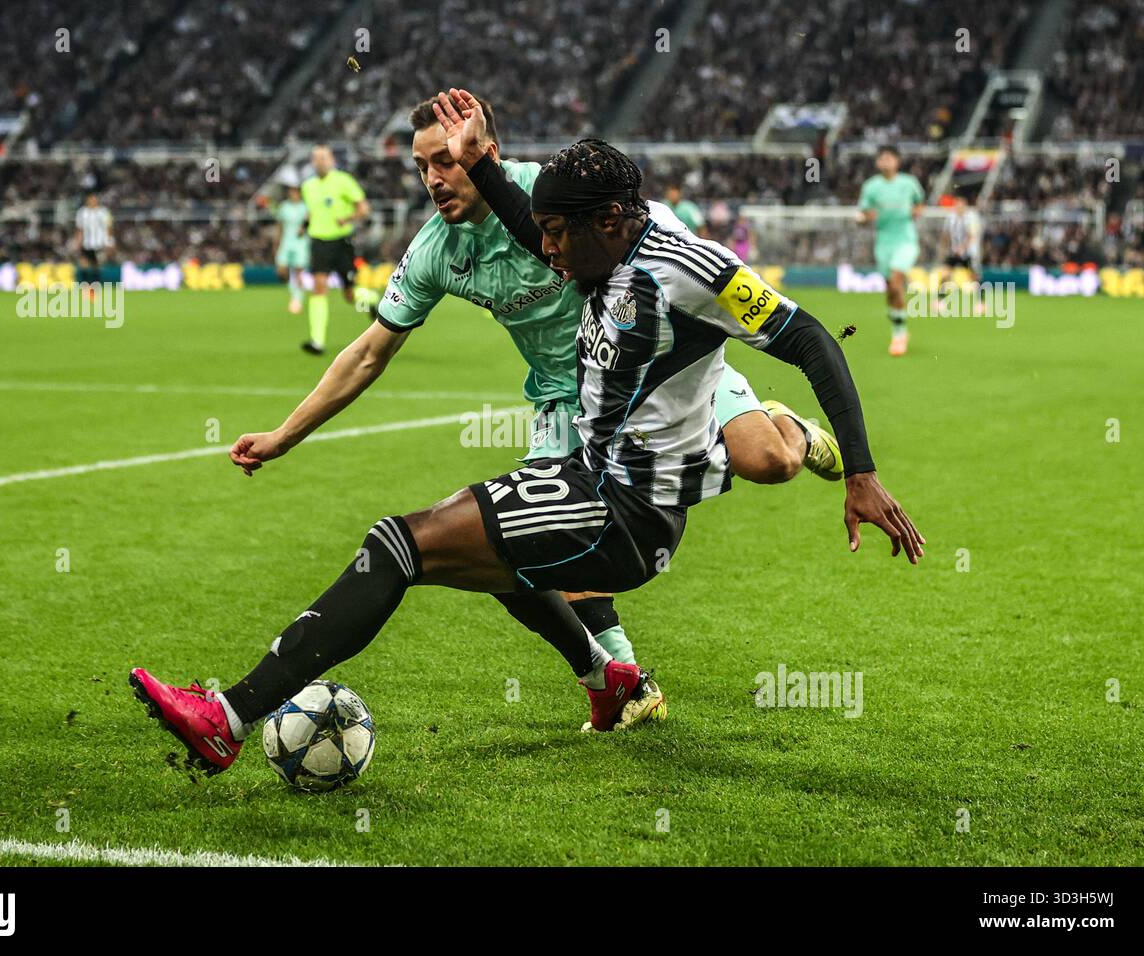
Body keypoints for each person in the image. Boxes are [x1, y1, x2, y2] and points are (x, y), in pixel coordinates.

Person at [129, 93, 922, 777]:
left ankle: (227, 719)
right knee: (501, 554)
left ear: (607, 220)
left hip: (645, 454)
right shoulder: (537, 235)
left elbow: (808, 335)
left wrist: (860, 470)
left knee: (770, 460)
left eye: (452, 160)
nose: (543, 248)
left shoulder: (661, 255)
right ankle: (612, 679)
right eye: (425, 166)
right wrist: (288, 434)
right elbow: (389, 334)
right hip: (589, 434)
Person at [299, 145, 370, 355]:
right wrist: (303, 228)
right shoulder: (308, 186)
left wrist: (347, 219)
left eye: (324, 158)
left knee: (349, 294)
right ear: (312, 162)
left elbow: (364, 209)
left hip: (341, 242)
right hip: (318, 242)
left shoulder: (343, 181)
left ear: (331, 160)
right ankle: (317, 341)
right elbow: (312, 212)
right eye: (316, 158)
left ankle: (373, 302)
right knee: (318, 287)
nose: (320, 162)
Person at [857, 147, 924, 356]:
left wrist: (916, 213)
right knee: (891, 289)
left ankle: (899, 333)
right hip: (884, 242)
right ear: (878, 163)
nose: (886, 161)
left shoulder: (909, 183)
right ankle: (898, 324)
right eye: (882, 158)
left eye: (889, 158)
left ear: (897, 161)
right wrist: (866, 218)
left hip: (905, 239)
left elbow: (920, 203)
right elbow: (864, 214)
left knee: (896, 281)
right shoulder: (871, 187)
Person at [273, 183, 310, 315]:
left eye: (295, 191)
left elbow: (310, 224)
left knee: (299, 272)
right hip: (286, 241)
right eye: (291, 191)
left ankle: (297, 300)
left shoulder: (306, 207)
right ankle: (294, 293)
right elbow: (279, 226)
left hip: (301, 243)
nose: (292, 194)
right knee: (282, 270)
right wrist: (276, 243)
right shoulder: (284, 207)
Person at [73, 192, 112, 288]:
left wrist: (108, 241)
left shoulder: (103, 212)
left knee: (97, 265)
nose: (92, 201)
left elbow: (108, 227)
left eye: (94, 199)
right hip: (86, 243)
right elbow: (79, 229)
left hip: (99, 243)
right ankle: (84, 286)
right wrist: (77, 242)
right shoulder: (82, 212)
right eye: (90, 199)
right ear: (88, 200)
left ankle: (96, 286)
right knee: (83, 264)